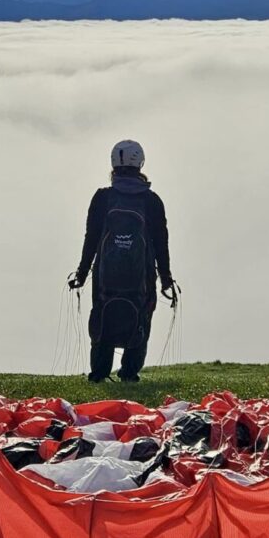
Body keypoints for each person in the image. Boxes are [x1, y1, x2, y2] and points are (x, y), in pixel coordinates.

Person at [69, 139, 176, 383]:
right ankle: (129, 373)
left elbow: (92, 238)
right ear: (140, 163)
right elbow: (161, 241)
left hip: (106, 275)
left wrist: (82, 272)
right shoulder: (152, 201)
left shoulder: (102, 198)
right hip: (142, 275)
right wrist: (166, 278)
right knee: (141, 314)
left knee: (103, 313)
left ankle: (99, 373)